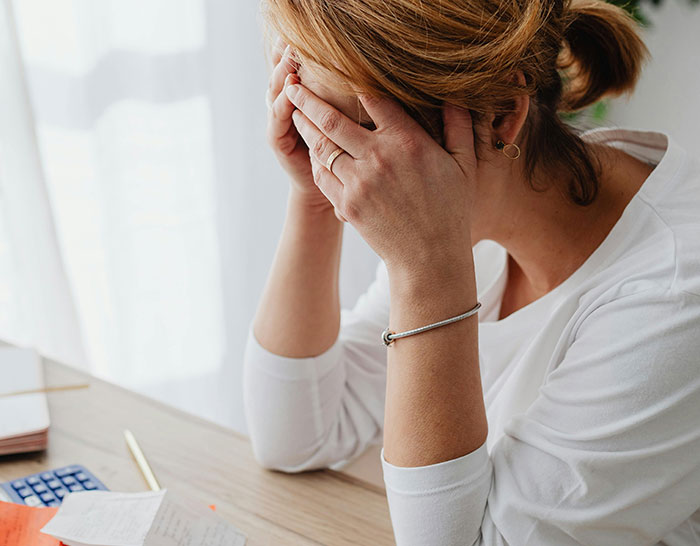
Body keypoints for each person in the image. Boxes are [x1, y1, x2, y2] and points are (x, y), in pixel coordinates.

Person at [243, 0, 700, 543]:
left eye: (353, 141)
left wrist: (426, 273)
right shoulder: (479, 213)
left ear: (504, 114)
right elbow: (297, 435)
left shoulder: (673, 294)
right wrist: (311, 197)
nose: (347, 186)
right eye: (315, 126)